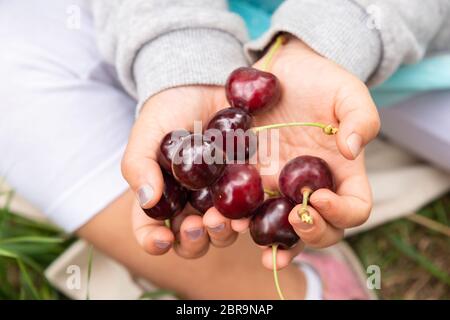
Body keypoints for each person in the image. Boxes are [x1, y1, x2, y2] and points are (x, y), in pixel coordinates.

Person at [0, 0, 448, 299]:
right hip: (201, 31)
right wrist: (180, 58)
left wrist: (332, 40)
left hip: (413, 48)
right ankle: (293, 291)